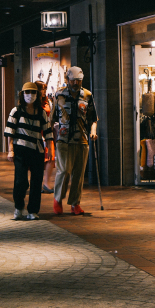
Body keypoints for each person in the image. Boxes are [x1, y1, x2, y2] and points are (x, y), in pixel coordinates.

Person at [52, 66, 98, 216]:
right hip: (63, 139)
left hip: (82, 139)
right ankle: (57, 199)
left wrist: (93, 132)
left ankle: (75, 203)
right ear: (67, 80)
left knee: (79, 174)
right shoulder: (59, 95)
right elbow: (52, 119)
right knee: (64, 170)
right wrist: (52, 138)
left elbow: (93, 119)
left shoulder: (87, 95)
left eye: (78, 81)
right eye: (73, 81)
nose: (75, 83)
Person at [6, 82, 53, 221]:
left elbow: (48, 132)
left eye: (33, 93)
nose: (30, 95)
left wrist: (49, 150)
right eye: (27, 92)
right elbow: (10, 131)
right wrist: (10, 150)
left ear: (37, 95)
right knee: (20, 181)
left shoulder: (41, 112)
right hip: (20, 150)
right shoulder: (16, 111)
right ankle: (19, 207)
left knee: (36, 181)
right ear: (22, 94)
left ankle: (33, 210)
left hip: (37, 151)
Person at [36, 81, 55, 193]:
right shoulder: (33, 103)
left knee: (50, 157)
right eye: (41, 89)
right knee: (39, 159)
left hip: (47, 131)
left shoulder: (47, 101)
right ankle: (38, 183)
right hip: (38, 131)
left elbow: (51, 116)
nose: (44, 91)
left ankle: (46, 183)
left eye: (45, 88)